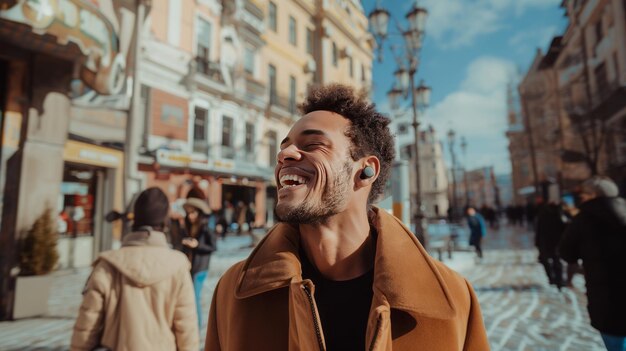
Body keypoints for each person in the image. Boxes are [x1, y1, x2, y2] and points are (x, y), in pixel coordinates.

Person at [205, 84, 489, 350]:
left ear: (366, 170)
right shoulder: (233, 293)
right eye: (284, 146)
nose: (285, 154)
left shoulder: (453, 298)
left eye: (313, 144)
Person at [70, 187, 198, 351]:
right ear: (165, 222)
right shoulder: (178, 265)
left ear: (134, 219)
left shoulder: (108, 264)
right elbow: (186, 327)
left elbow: (87, 326)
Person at [559, 176, 626, 351]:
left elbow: (566, 253)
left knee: (616, 343)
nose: (582, 198)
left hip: (606, 295)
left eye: (584, 194)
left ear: (593, 195)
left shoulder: (584, 218)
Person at [182, 193, 217, 329]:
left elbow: (213, 247)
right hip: (189, 266)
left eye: (193, 213)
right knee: (189, 296)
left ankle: (197, 325)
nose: (190, 216)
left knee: (195, 297)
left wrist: (197, 245)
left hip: (201, 268)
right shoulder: (188, 227)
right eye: (188, 213)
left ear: (200, 213)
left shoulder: (206, 228)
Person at [534, 200, 568, 289]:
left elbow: (539, 230)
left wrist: (537, 243)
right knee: (556, 261)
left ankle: (552, 278)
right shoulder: (560, 215)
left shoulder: (543, 215)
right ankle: (558, 280)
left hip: (546, 242)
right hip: (557, 242)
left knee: (547, 261)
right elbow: (565, 229)